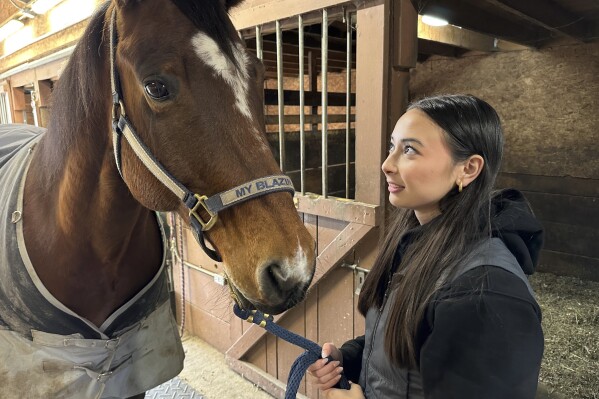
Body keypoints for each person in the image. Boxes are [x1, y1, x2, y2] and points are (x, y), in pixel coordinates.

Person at [307, 94, 544, 399]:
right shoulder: (417, 242)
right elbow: (402, 349)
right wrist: (347, 360)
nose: (386, 165)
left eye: (409, 150)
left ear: (468, 169)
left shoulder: (486, 294)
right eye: (392, 147)